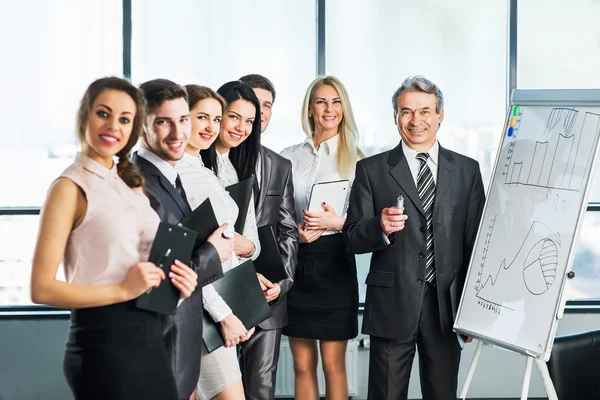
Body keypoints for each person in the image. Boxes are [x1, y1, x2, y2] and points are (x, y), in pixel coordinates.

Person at [30, 77, 200, 399]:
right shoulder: (69, 188)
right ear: (84, 116)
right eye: (103, 114)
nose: (113, 126)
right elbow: (41, 288)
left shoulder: (130, 184)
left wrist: (179, 282)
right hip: (102, 344)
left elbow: (141, 264)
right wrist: (123, 289)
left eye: (125, 119)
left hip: (150, 336)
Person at [342, 75, 485, 400]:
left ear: (440, 115)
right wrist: (378, 227)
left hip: (446, 307)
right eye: (406, 112)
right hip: (392, 305)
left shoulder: (466, 171)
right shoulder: (371, 169)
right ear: (395, 117)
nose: (415, 120)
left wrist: (473, 309)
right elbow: (351, 237)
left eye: (424, 111)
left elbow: (476, 244)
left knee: (442, 394)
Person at [132, 79, 232, 400]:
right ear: (141, 125)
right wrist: (214, 251)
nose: (178, 134)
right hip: (163, 345)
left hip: (181, 342)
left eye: (183, 120)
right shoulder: (142, 185)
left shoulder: (169, 177)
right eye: (163, 122)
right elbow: (160, 290)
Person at [280, 75, 362, 400]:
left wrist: (336, 221)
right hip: (297, 261)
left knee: (333, 364)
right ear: (310, 109)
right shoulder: (287, 156)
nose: (329, 109)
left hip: (336, 262)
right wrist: (294, 236)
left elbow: (364, 223)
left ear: (344, 108)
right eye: (321, 101)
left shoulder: (358, 160)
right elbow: (275, 214)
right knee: (302, 364)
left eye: (336, 101)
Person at [175, 84, 255, 400]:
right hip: (203, 309)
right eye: (202, 117)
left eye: (216, 118)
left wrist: (239, 307)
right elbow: (190, 258)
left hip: (215, 304)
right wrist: (225, 315)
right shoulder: (181, 175)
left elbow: (223, 250)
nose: (211, 127)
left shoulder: (203, 169)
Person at [237, 74, 298, 400]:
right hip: (217, 295)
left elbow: (287, 230)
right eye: (252, 105)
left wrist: (283, 283)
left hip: (267, 294)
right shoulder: (207, 160)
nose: (260, 113)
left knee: (261, 391)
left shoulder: (279, 164)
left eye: (267, 106)